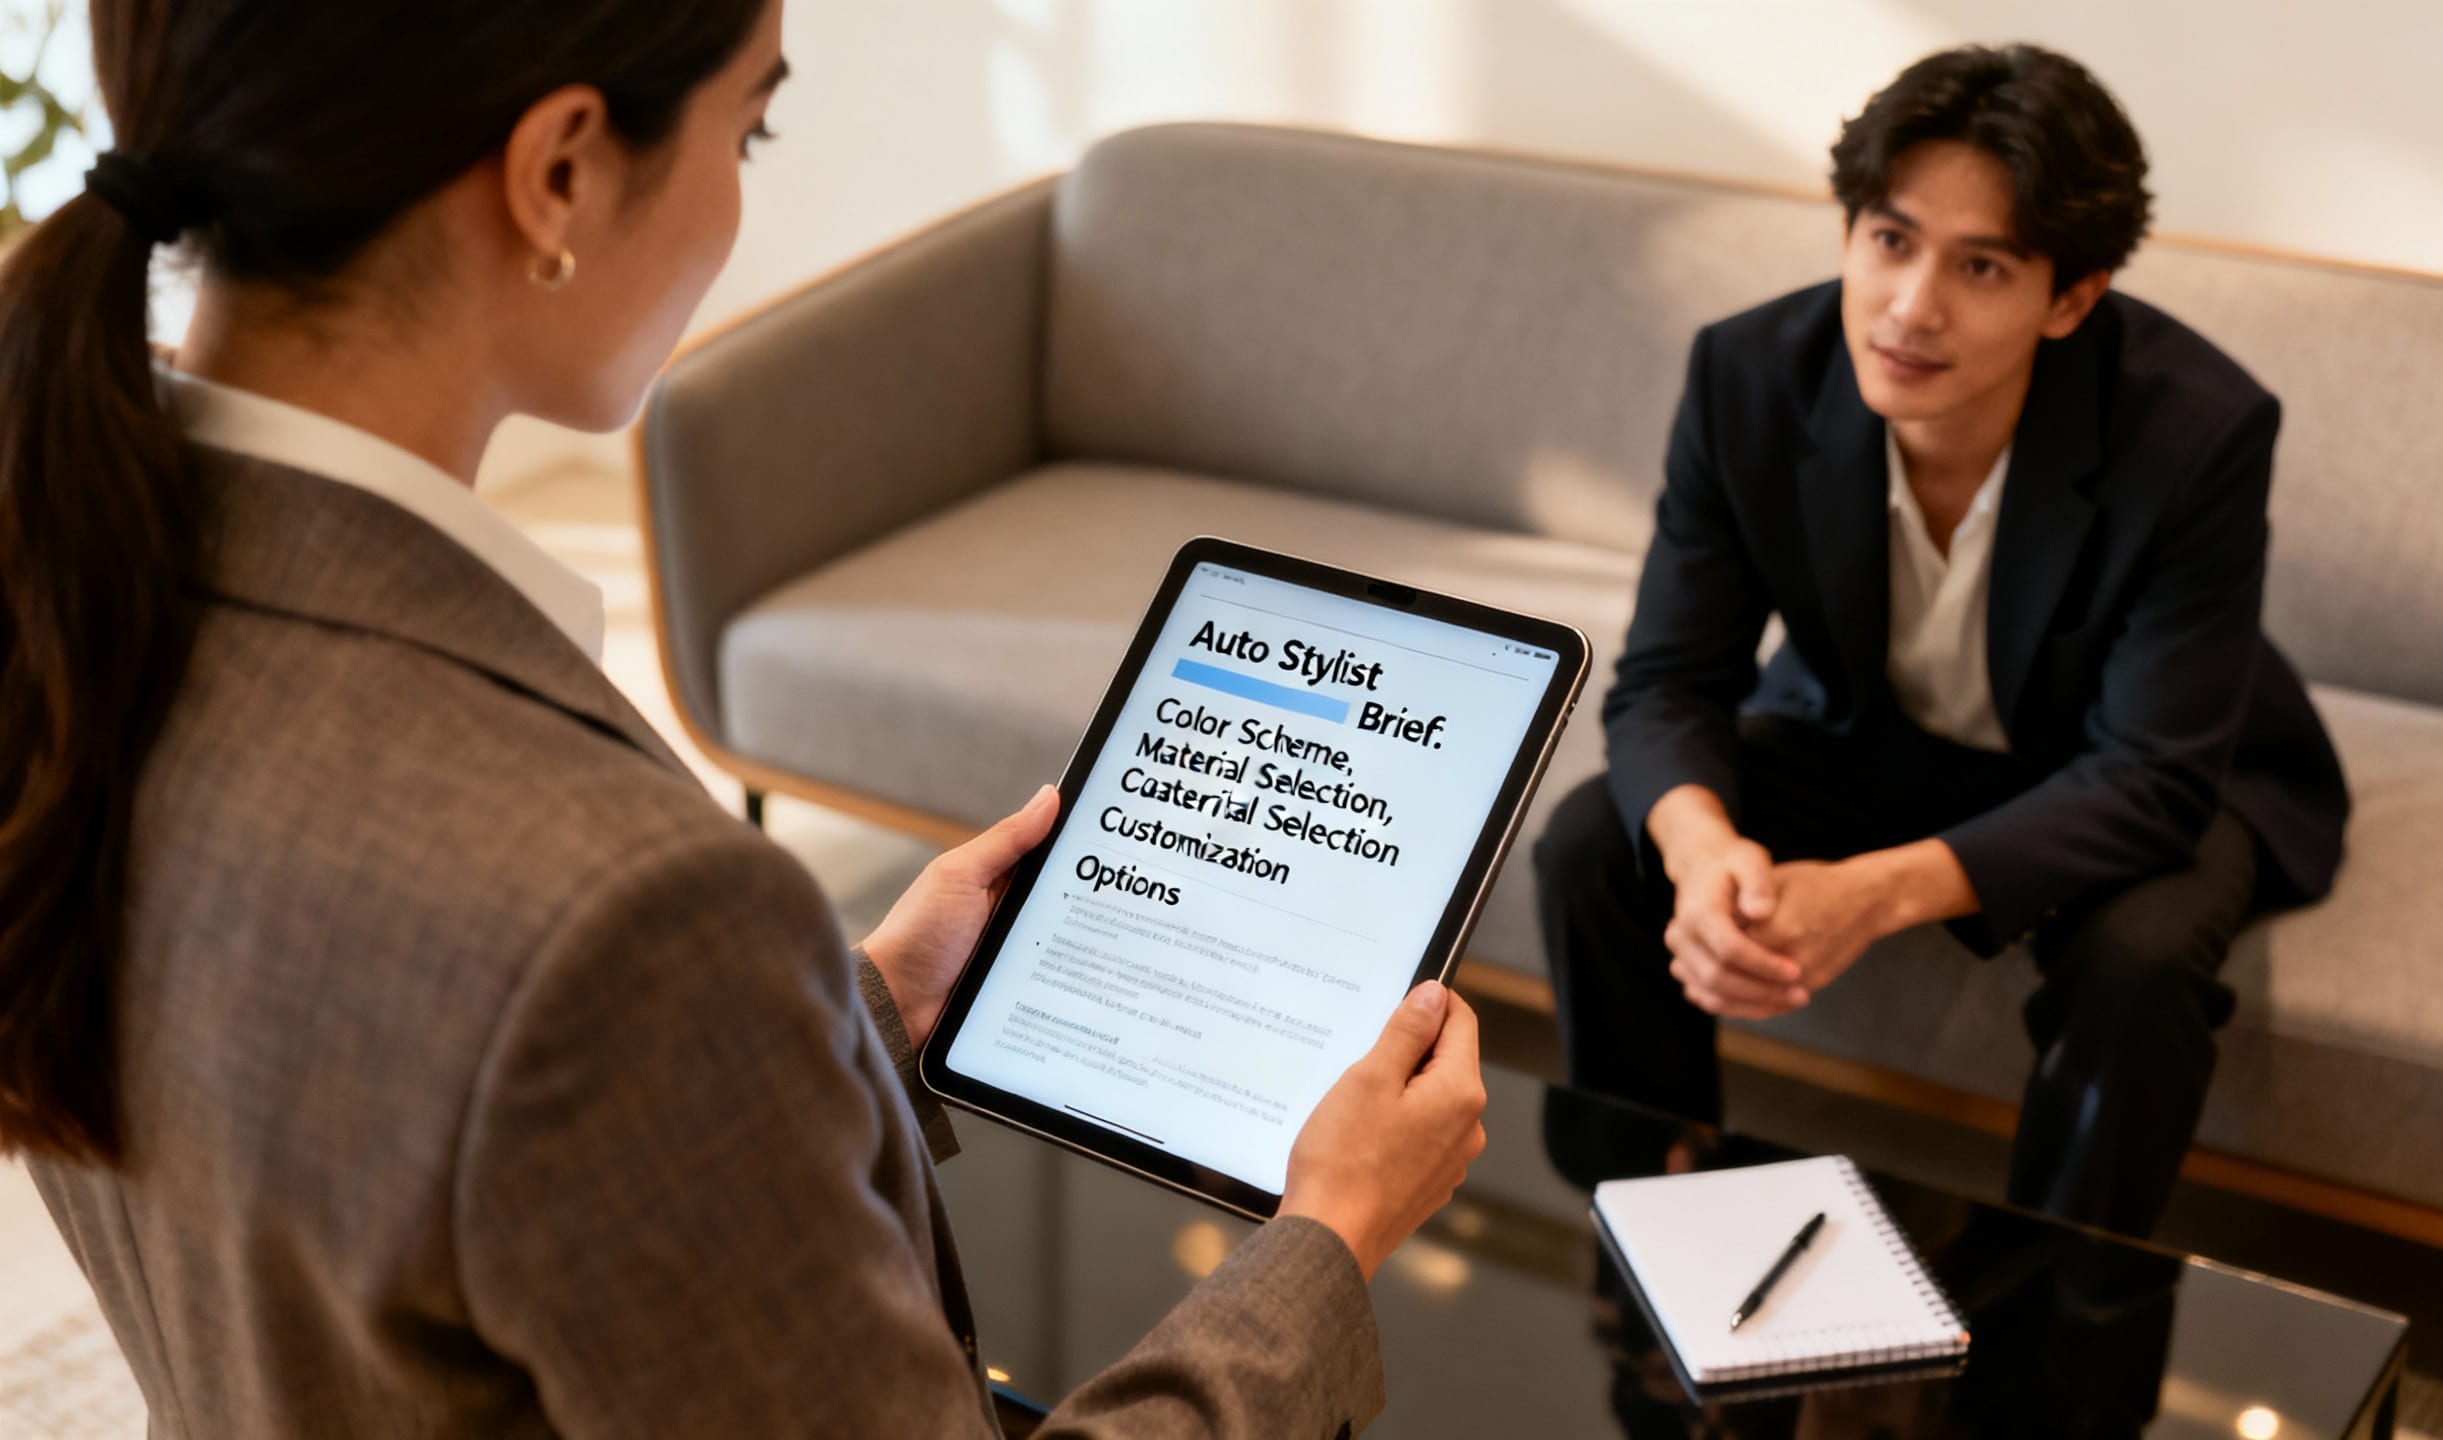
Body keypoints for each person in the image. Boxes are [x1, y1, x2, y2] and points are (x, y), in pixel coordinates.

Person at [0, 2, 1486, 1434]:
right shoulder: (631, 914)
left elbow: (412, 1166)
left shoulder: (71, 611)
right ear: (560, 169)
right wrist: (1328, 1238)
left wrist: (843, 1023)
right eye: (750, 131)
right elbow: (553, 994)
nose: (735, 207)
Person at [1534, 43, 2348, 1240]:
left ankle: (2056, 1309)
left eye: (1982, 266)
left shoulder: (2198, 430)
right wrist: (1705, 852)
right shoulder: (1747, 376)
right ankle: (1656, 1229)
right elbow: (1668, 679)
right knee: (1599, 843)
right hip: (1875, 731)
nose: (1911, 307)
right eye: (1890, 239)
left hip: (2132, 762)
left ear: (2072, 297)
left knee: (2140, 963)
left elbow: (2156, 775)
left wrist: (1871, 896)